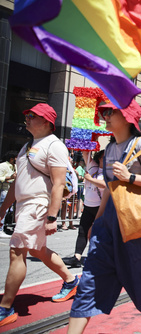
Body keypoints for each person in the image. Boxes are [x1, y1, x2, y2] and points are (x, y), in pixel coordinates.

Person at [67, 101, 141, 334]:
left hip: (139, 228)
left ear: (126, 116)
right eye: (103, 112)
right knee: (89, 281)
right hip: (108, 227)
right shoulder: (110, 147)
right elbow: (110, 190)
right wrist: (98, 221)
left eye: (109, 112)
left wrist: (131, 178)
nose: (104, 116)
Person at [0, 103, 79, 328]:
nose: (27, 118)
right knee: (37, 249)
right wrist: (4, 209)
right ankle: (71, 281)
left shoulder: (54, 145)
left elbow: (58, 183)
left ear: (47, 122)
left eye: (32, 116)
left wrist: (52, 217)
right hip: (24, 206)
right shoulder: (26, 147)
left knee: (17, 251)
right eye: (27, 114)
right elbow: (17, 182)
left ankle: (5, 308)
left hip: (37, 205)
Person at [62, 150, 105, 268]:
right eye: (103, 157)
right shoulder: (92, 166)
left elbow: (105, 185)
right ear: (99, 158)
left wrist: (89, 179)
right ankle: (77, 257)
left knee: (96, 234)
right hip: (88, 206)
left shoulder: (109, 172)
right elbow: (86, 153)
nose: (105, 159)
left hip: (100, 207)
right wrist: (90, 141)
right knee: (82, 231)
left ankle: (98, 258)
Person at [0, 151, 17, 238]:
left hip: (13, 190)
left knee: (10, 211)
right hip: (5, 189)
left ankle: (5, 227)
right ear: (11, 159)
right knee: (3, 209)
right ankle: (0, 229)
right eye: (15, 158)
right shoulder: (3, 166)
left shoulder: (15, 167)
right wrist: (10, 177)